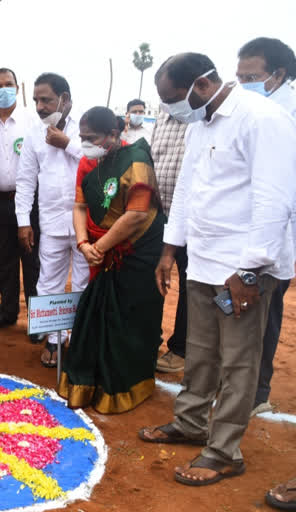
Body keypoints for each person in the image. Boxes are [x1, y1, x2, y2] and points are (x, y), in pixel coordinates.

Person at [139, 53, 296, 487]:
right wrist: (170, 250)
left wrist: (248, 269)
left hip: (242, 271)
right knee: (201, 351)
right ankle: (191, 423)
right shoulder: (200, 124)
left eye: (173, 99)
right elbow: (188, 190)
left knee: (239, 362)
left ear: (202, 85)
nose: (170, 109)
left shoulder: (261, 119)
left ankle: (224, 451)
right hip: (204, 263)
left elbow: (274, 197)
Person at [57, 106, 165, 413]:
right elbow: (78, 206)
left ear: (114, 135)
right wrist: (83, 243)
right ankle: (90, 381)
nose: (86, 143)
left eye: (91, 138)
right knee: (94, 315)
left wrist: (100, 246)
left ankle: (125, 384)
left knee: (128, 319)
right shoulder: (88, 163)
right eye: (82, 137)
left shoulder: (137, 161)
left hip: (136, 252)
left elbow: (137, 214)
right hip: (98, 250)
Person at [237, 36, 296, 418]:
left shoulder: (285, 114)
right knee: (242, 315)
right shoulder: (257, 109)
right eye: (238, 76)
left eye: (251, 76)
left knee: (265, 314)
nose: (242, 85)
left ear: (278, 74)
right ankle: (243, 388)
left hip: (273, 238)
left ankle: (256, 392)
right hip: (246, 234)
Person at [15, 73, 88, 366]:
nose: (40, 106)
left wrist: (67, 143)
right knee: (48, 282)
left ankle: (81, 340)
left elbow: (99, 160)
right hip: (51, 221)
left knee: (84, 283)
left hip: (86, 223)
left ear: (65, 98)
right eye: (36, 100)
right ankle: (55, 340)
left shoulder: (87, 125)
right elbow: (25, 180)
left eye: (46, 99)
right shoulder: (34, 132)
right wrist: (23, 221)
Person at [0, 68, 40, 342]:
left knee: (32, 260)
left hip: (30, 201)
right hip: (1, 200)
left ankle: (37, 321)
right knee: (5, 261)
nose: (4, 89)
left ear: (17, 87)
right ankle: (7, 313)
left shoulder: (31, 120)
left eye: (9, 84)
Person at [152, 109, 189, 374]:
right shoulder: (161, 119)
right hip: (157, 216)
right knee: (152, 281)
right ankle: (150, 339)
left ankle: (181, 349)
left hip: (191, 219)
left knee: (190, 287)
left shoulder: (200, 120)